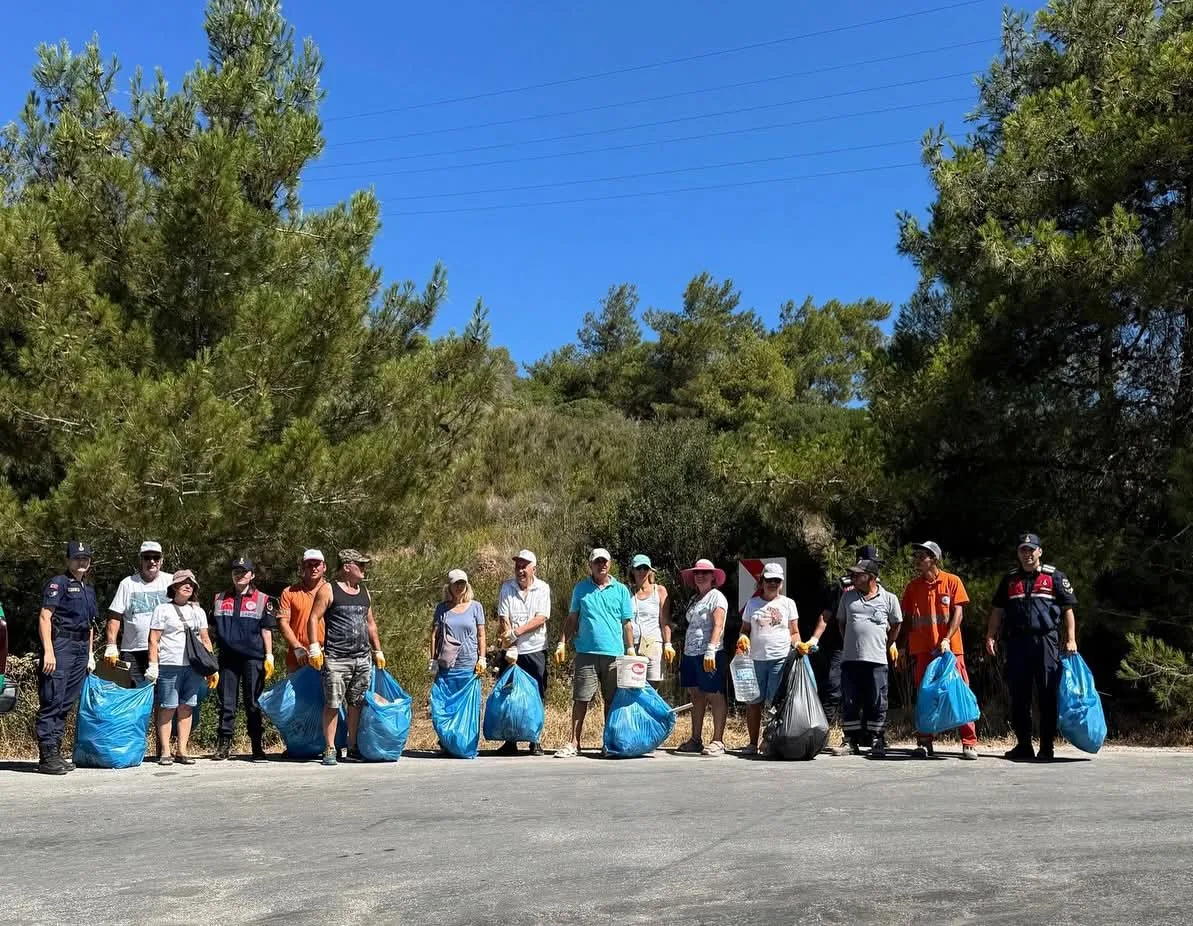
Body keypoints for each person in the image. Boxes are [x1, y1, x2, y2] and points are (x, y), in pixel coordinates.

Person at [986, 533, 1078, 762]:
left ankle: (1046, 747)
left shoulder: (1054, 576)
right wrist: (990, 636)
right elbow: (997, 610)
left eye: (1031, 549)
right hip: (1017, 643)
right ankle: (1024, 745)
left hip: (1045, 641)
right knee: (1019, 695)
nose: (1027, 554)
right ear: (1018, 553)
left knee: (1047, 693)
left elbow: (1068, 610)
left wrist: (1071, 639)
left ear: (1039, 551)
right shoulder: (1010, 579)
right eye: (1023, 550)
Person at [901, 541, 979, 760]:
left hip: (950, 649)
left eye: (922, 556)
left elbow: (958, 614)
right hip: (923, 649)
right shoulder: (913, 587)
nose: (917, 560)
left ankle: (969, 742)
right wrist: (902, 646)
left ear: (934, 559)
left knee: (958, 691)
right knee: (925, 695)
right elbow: (908, 619)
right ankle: (925, 741)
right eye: (916, 556)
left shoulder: (952, 581)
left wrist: (946, 638)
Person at [307, 550, 386, 766]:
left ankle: (352, 746)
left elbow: (370, 624)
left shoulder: (364, 592)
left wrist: (377, 651)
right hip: (336, 658)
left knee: (356, 703)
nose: (364, 568)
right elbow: (313, 618)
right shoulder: (329, 589)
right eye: (360, 564)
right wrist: (314, 647)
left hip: (361, 658)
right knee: (332, 703)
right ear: (347, 566)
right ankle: (330, 748)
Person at [553, 548, 634, 758]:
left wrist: (631, 649)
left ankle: (609, 743)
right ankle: (574, 743)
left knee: (612, 700)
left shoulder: (621, 590)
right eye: (597, 562)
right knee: (581, 698)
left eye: (605, 561)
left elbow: (627, 623)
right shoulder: (581, 589)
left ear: (610, 564)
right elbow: (572, 618)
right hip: (586, 652)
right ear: (591, 565)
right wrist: (562, 642)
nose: (601, 565)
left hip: (614, 654)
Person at [35, 541, 98, 775]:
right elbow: (45, 617)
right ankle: (47, 756)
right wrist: (49, 651)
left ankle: (56, 750)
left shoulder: (88, 589)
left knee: (66, 702)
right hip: (61, 645)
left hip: (81, 647)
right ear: (68, 560)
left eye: (85, 558)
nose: (81, 562)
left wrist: (90, 653)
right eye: (77, 558)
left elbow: (90, 624)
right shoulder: (58, 583)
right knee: (53, 698)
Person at [811, 545, 882, 744]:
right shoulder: (842, 586)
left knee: (869, 692)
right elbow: (827, 614)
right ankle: (819, 735)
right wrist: (815, 638)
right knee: (834, 690)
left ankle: (866, 736)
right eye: (871, 562)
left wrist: (891, 644)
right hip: (840, 647)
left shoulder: (880, 588)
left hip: (869, 648)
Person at [211, 556, 277, 761]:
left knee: (253, 703)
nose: (239, 575)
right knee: (227, 703)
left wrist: (269, 655)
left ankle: (257, 745)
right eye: (236, 571)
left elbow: (266, 630)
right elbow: (211, 630)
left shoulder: (262, 599)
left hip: (253, 658)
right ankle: (224, 744)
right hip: (227, 659)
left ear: (252, 575)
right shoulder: (219, 598)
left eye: (243, 572)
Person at [146, 569, 215, 765]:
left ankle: (182, 750)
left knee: (187, 707)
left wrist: (211, 667)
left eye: (191, 584)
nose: (188, 586)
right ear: (174, 587)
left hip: (194, 666)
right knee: (167, 707)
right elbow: (153, 639)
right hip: (170, 664)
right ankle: (165, 751)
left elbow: (205, 638)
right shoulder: (163, 610)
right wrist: (153, 664)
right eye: (184, 583)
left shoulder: (198, 611)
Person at [837, 557, 902, 756]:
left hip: (877, 660)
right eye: (853, 574)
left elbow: (896, 624)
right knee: (850, 700)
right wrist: (850, 642)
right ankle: (850, 740)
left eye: (858, 575)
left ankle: (877, 738)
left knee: (877, 700)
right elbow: (841, 623)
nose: (853, 577)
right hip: (851, 659)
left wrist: (888, 644)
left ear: (871, 577)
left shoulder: (889, 598)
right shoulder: (847, 597)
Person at [736, 561, 801, 756]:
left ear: (781, 583)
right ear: (762, 581)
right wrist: (743, 638)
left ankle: (771, 742)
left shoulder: (788, 603)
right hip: (755, 659)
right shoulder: (752, 604)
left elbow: (794, 632)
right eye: (769, 580)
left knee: (775, 704)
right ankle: (752, 743)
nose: (773, 584)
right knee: (753, 702)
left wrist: (799, 645)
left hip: (779, 658)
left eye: (777, 581)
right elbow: (745, 629)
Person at [495, 551, 550, 755]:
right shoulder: (507, 587)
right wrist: (511, 644)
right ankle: (510, 740)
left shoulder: (542, 588)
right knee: (510, 695)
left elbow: (541, 618)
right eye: (517, 566)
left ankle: (535, 739)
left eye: (524, 566)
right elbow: (504, 617)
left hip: (535, 649)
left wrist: (516, 633)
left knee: (536, 694)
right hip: (512, 651)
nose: (520, 570)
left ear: (533, 568)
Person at [430, 568, 487, 751]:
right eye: (456, 584)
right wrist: (433, 661)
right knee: (447, 705)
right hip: (447, 666)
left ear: (467, 585)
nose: (459, 587)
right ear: (449, 586)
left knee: (467, 707)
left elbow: (481, 634)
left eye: (462, 583)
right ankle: (448, 742)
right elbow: (434, 635)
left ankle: (464, 743)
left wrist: (482, 657)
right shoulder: (442, 608)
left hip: (469, 665)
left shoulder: (476, 607)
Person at [677, 557, 730, 757]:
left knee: (714, 693)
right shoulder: (695, 599)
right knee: (696, 695)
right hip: (691, 653)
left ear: (713, 577)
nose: (700, 575)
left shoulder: (716, 597)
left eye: (705, 573)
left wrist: (711, 649)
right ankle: (695, 738)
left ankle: (718, 740)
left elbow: (718, 624)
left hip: (709, 653)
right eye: (697, 573)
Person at [103, 540, 170, 688]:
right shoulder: (128, 584)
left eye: (156, 557)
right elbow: (115, 616)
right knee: (134, 694)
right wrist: (111, 645)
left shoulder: (171, 582)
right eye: (147, 557)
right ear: (141, 559)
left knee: (163, 695)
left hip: (164, 650)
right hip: (133, 651)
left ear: (162, 560)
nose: (152, 561)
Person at [628, 554, 674, 689]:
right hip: (633, 646)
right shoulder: (627, 592)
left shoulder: (659, 590)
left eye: (645, 568)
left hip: (653, 644)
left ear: (650, 571)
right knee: (633, 687)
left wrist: (668, 644)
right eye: (638, 568)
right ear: (632, 570)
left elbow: (665, 621)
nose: (642, 571)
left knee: (652, 687)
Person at [277, 549, 327, 673]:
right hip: (298, 657)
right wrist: (297, 647)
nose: (313, 568)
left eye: (317, 564)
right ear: (303, 567)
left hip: (326, 654)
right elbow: (283, 623)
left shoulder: (332, 592)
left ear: (324, 567)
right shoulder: (289, 592)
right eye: (309, 565)